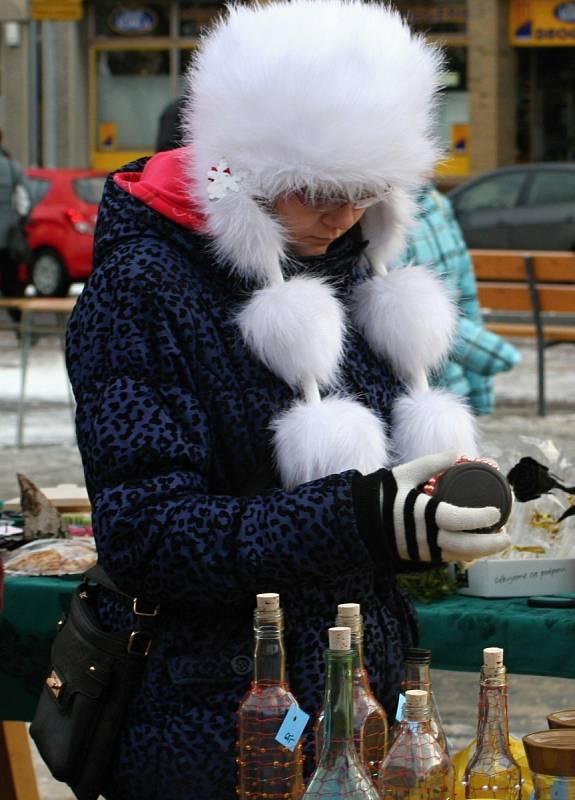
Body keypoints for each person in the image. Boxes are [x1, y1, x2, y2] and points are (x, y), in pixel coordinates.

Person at [66, 3, 511, 798]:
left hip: (356, 697)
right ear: (238, 174)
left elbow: (373, 498)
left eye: (365, 191)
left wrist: (438, 500)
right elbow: (145, 533)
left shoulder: (346, 265)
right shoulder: (143, 289)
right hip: (218, 722)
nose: (343, 216)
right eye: (315, 192)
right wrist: (361, 516)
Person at [395, 184, 521, 415]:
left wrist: (479, 391)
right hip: (402, 389)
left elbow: (466, 296)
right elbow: (399, 307)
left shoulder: (437, 203)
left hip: (453, 386)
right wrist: (488, 352)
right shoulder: (380, 212)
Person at [0, 146, 31, 323]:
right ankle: (19, 325)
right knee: (11, 282)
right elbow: (25, 200)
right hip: (7, 235)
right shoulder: (12, 168)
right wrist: (21, 221)